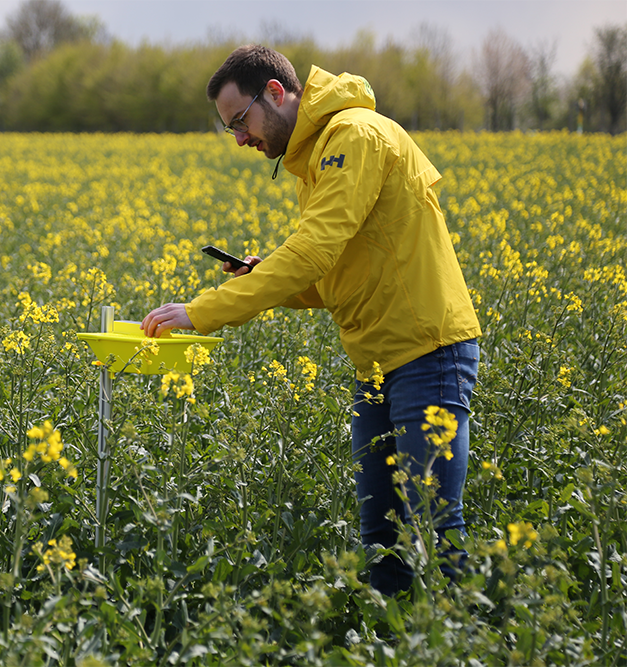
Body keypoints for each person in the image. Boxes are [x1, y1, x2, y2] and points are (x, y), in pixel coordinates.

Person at [140, 45, 482, 596]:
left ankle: (475, 644)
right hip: (373, 366)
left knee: (433, 530)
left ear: (274, 93)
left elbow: (315, 250)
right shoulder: (317, 161)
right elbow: (329, 280)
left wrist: (202, 312)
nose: (240, 139)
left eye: (240, 122)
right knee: (381, 538)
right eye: (228, 129)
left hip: (427, 353)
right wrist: (258, 274)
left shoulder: (355, 137)